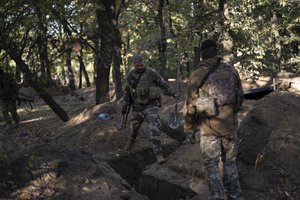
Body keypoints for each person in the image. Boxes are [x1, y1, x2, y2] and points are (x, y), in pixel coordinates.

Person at [184, 39, 244, 200]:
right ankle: (235, 196)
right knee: (230, 164)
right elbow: (240, 96)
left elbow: (191, 106)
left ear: (202, 53)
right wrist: (231, 113)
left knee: (212, 168)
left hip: (209, 129)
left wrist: (189, 129)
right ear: (216, 52)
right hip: (230, 126)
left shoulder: (198, 74)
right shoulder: (231, 70)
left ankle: (217, 197)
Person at [122, 54, 178, 164]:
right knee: (134, 129)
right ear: (134, 65)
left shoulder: (151, 73)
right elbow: (126, 90)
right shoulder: (131, 76)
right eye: (137, 65)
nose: (139, 66)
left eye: (141, 64)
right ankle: (131, 142)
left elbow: (163, 84)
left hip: (151, 106)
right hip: (137, 108)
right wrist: (125, 104)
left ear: (144, 63)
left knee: (154, 127)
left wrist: (173, 93)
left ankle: (158, 154)